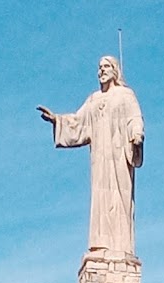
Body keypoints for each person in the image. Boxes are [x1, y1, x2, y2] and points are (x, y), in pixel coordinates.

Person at [38, 56, 144, 255]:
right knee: (101, 197)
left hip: (119, 155)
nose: (101, 71)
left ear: (115, 70)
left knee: (120, 197)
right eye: (99, 67)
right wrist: (56, 120)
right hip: (100, 158)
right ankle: (102, 243)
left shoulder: (125, 95)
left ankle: (122, 245)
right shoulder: (94, 100)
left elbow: (135, 118)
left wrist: (137, 135)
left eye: (106, 67)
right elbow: (79, 122)